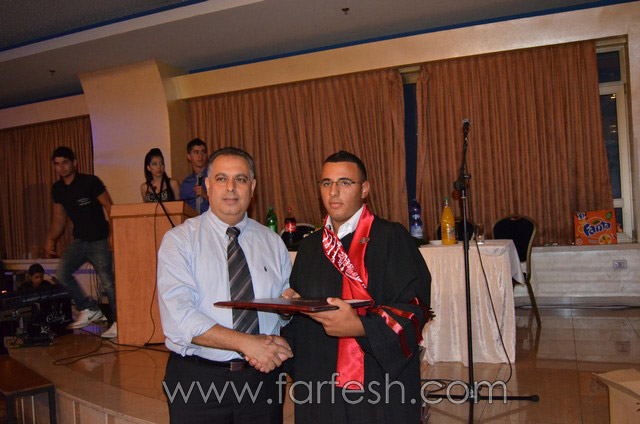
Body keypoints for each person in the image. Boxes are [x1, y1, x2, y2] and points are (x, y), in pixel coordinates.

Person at [281, 151, 431, 423]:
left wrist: (361, 327)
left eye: (345, 182)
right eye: (326, 183)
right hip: (321, 378)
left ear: (364, 189)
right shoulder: (310, 246)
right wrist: (289, 314)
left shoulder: (391, 237)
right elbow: (303, 318)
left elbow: (414, 307)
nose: (333, 192)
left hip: (379, 379)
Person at [157, 147, 293, 423]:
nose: (231, 187)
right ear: (207, 185)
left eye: (240, 179)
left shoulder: (272, 242)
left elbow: (283, 309)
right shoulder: (179, 241)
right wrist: (247, 343)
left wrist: (287, 309)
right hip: (198, 382)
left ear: (252, 187)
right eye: (221, 178)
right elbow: (179, 320)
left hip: (262, 382)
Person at [45, 146, 118, 339]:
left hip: (99, 239)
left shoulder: (90, 181)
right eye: (57, 164)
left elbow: (109, 206)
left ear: (74, 163)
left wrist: (113, 234)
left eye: (65, 162)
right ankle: (89, 308)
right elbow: (59, 217)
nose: (61, 167)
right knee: (62, 273)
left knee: (108, 282)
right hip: (80, 240)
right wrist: (51, 238)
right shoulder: (58, 188)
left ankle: (118, 322)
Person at [179, 138, 209, 214]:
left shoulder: (214, 178)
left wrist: (205, 195)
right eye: (196, 152)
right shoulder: (186, 184)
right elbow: (182, 209)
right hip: (192, 219)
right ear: (189, 156)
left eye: (203, 152)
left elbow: (223, 203)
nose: (200, 156)